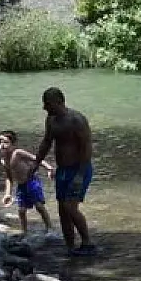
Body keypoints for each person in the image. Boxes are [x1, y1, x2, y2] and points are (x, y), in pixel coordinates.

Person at [30, 87, 96, 256]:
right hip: (63, 170)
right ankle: (70, 247)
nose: (44, 107)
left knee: (70, 207)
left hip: (79, 169)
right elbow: (46, 142)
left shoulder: (77, 120)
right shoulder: (51, 120)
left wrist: (80, 175)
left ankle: (87, 243)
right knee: (62, 209)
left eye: (47, 103)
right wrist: (36, 163)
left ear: (59, 102)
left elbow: (87, 147)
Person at [0, 130, 54, 235]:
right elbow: (9, 178)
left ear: (13, 144)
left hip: (32, 181)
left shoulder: (18, 153)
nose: (2, 145)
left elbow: (37, 159)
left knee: (39, 206)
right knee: (21, 210)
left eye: (5, 142)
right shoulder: (3, 160)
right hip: (21, 186)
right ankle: (24, 231)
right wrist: (7, 194)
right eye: (0, 142)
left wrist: (49, 168)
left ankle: (49, 228)